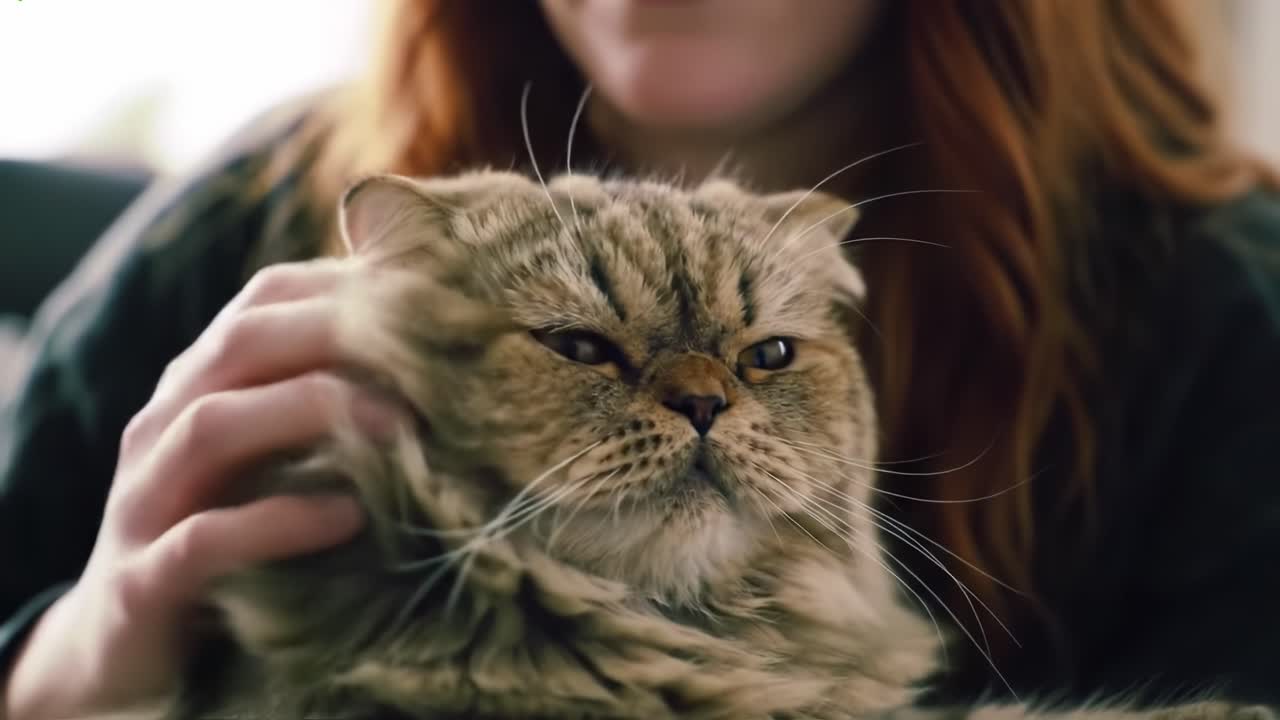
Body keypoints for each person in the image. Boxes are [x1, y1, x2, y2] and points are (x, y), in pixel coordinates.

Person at [4, 1, 1279, 718]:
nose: (699, 397)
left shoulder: (1229, 308)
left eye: (768, 352)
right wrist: (76, 668)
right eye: (579, 344)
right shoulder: (245, 213)